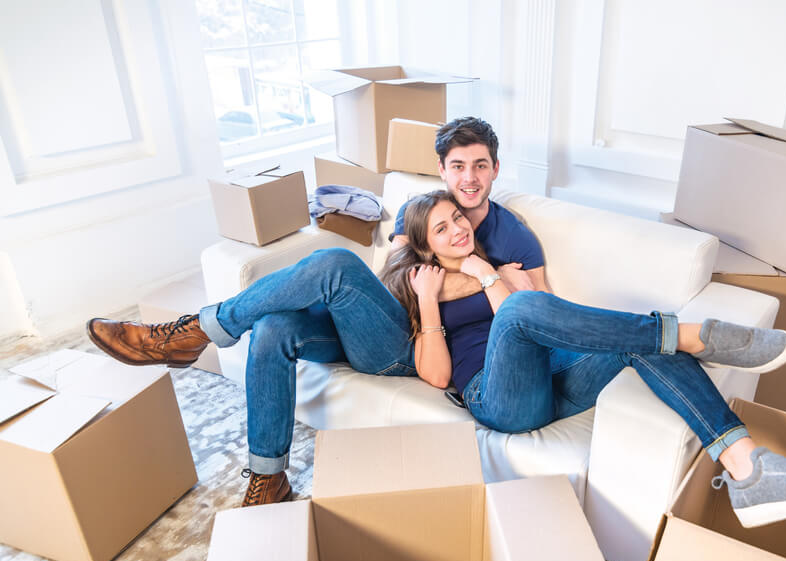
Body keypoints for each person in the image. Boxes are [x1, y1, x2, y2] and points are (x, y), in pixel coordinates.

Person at [85, 117, 550, 507]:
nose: (469, 178)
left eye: (480, 166)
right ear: (442, 170)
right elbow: (396, 280)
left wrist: (480, 275)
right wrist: (482, 276)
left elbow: (540, 307)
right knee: (273, 326)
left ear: (495, 170)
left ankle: (192, 334)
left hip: (412, 345)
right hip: (379, 320)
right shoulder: (422, 209)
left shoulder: (515, 237)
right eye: (458, 166)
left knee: (336, 263)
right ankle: (269, 478)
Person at [379, 190, 786, 529]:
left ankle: (750, 470)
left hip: (554, 374)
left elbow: (518, 312)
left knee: (637, 340)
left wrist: (484, 272)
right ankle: (692, 335)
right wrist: (429, 298)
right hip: (498, 396)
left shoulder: (498, 268)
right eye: (442, 228)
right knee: (527, 310)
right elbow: (439, 373)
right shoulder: (421, 288)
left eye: (457, 218)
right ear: (425, 247)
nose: (458, 228)